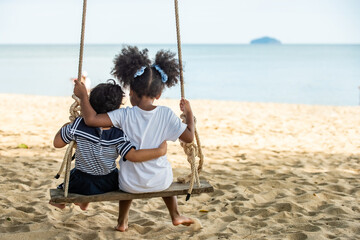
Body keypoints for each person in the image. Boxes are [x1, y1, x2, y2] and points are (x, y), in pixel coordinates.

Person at [73, 46, 195, 231]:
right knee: (163, 170)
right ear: (158, 94)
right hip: (160, 182)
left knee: (125, 176)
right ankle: (176, 215)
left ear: (131, 91)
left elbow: (90, 120)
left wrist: (83, 97)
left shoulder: (123, 115)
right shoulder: (166, 114)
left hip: (130, 184)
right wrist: (189, 113)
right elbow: (189, 137)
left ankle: (122, 222)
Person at [49, 79, 167, 211]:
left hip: (81, 183)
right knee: (117, 174)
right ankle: (84, 202)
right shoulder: (118, 135)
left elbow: (57, 143)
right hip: (108, 183)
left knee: (74, 175)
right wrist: (159, 151)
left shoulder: (78, 126)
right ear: (116, 110)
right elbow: (133, 155)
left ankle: (63, 203)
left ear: (91, 104)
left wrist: (67, 127)